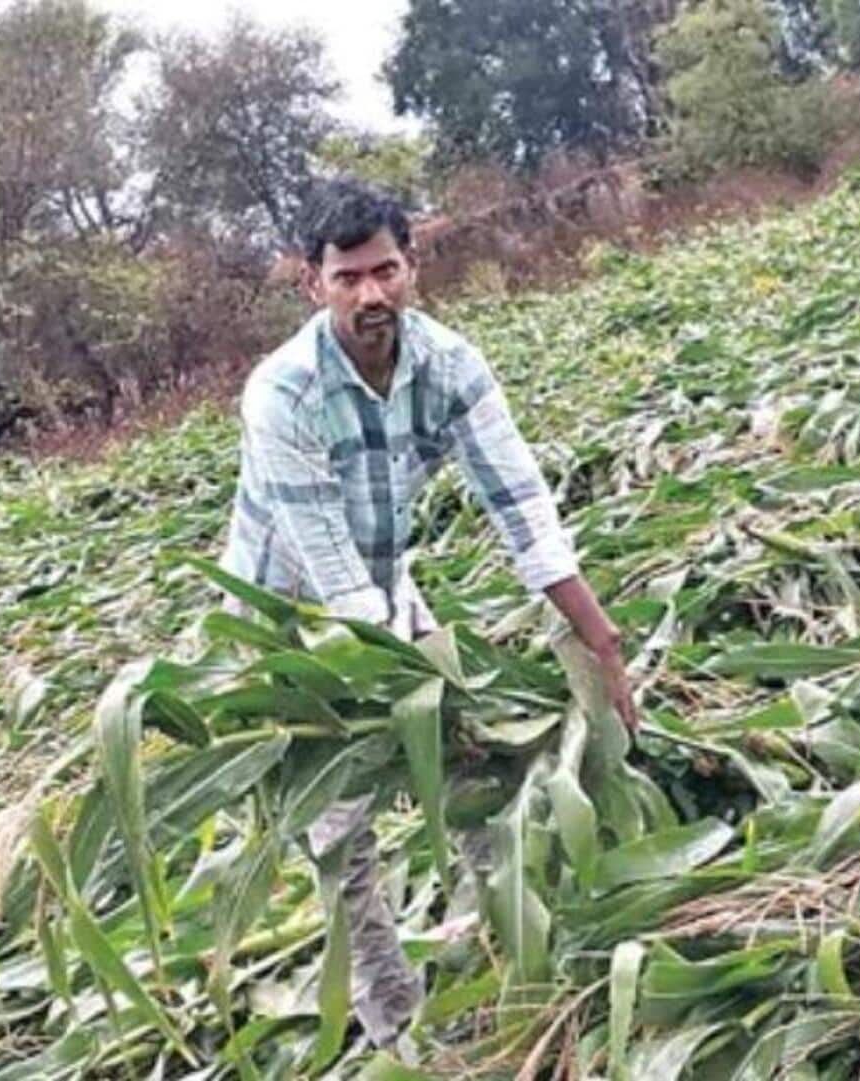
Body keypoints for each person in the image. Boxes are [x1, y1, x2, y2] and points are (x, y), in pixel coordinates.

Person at [218, 179, 638, 1048]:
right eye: (348, 278)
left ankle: (499, 951)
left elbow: (519, 501)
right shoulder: (282, 395)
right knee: (342, 834)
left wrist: (596, 634)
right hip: (288, 630)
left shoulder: (447, 365)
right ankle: (398, 1026)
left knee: (474, 768)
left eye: (386, 271)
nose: (371, 295)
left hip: (386, 594)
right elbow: (331, 571)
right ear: (313, 283)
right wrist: (419, 674)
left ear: (412, 268)